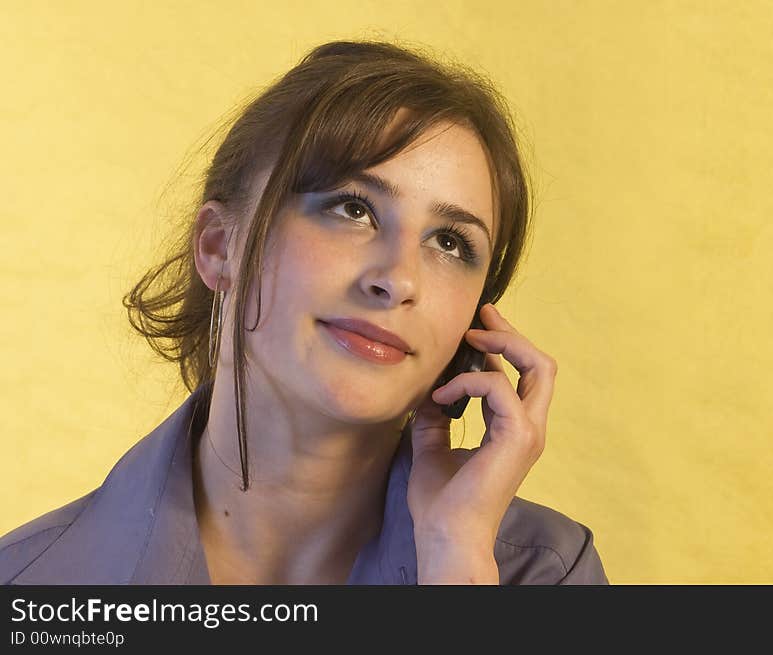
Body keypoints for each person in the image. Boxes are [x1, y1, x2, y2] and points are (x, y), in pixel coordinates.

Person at [0, 40, 608, 585]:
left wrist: (454, 558)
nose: (397, 279)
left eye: (450, 242)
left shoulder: (544, 575)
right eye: (352, 208)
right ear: (219, 246)